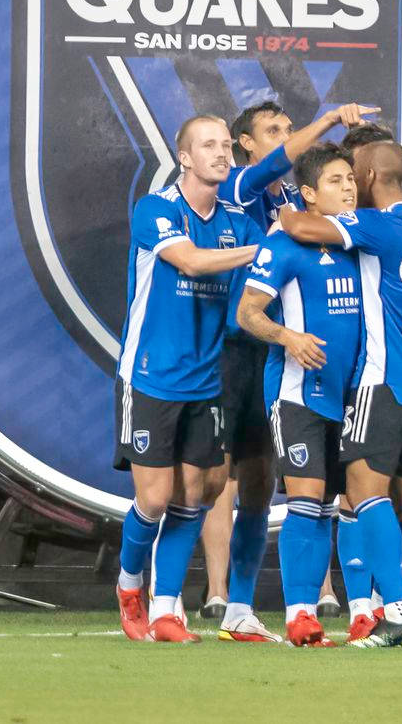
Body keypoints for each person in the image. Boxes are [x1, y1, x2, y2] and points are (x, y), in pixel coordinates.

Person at [278, 141, 402, 647]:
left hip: (384, 378)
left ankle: (398, 613)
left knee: (363, 492)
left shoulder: (377, 224)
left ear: (367, 174)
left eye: (351, 175)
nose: (348, 184)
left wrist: (278, 202)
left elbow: (300, 227)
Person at [198, 100, 376, 639]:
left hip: (309, 364)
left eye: (288, 129)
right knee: (216, 483)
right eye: (273, 132)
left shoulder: (328, 224)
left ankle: (259, 606)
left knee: (269, 488)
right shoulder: (243, 187)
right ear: (248, 144)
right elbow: (287, 165)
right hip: (243, 353)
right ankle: (209, 595)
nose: (284, 138)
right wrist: (328, 120)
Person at [113, 116, 269, 644]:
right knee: (154, 499)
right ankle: (129, 584)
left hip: (208, 381)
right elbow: (193, 263)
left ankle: (163, 612)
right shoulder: (156, 209)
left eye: (227, 145)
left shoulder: (239, 221)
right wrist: (267, 246)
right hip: (151, 376)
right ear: (184, 157)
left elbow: (269, 282)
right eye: (209, 145)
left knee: (194, 497)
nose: (222, 154)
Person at [235, 143, 363, 647]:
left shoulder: (362, 241)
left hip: (353, 394)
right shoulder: (283, 245)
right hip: (298, 393)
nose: (348, 186)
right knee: (308, 501)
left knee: (344, 503)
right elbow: (248, 313)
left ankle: (364, 613)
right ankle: (301, 615)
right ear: (308, 193)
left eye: (350, 177)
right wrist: (289, 338)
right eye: (335, 180)